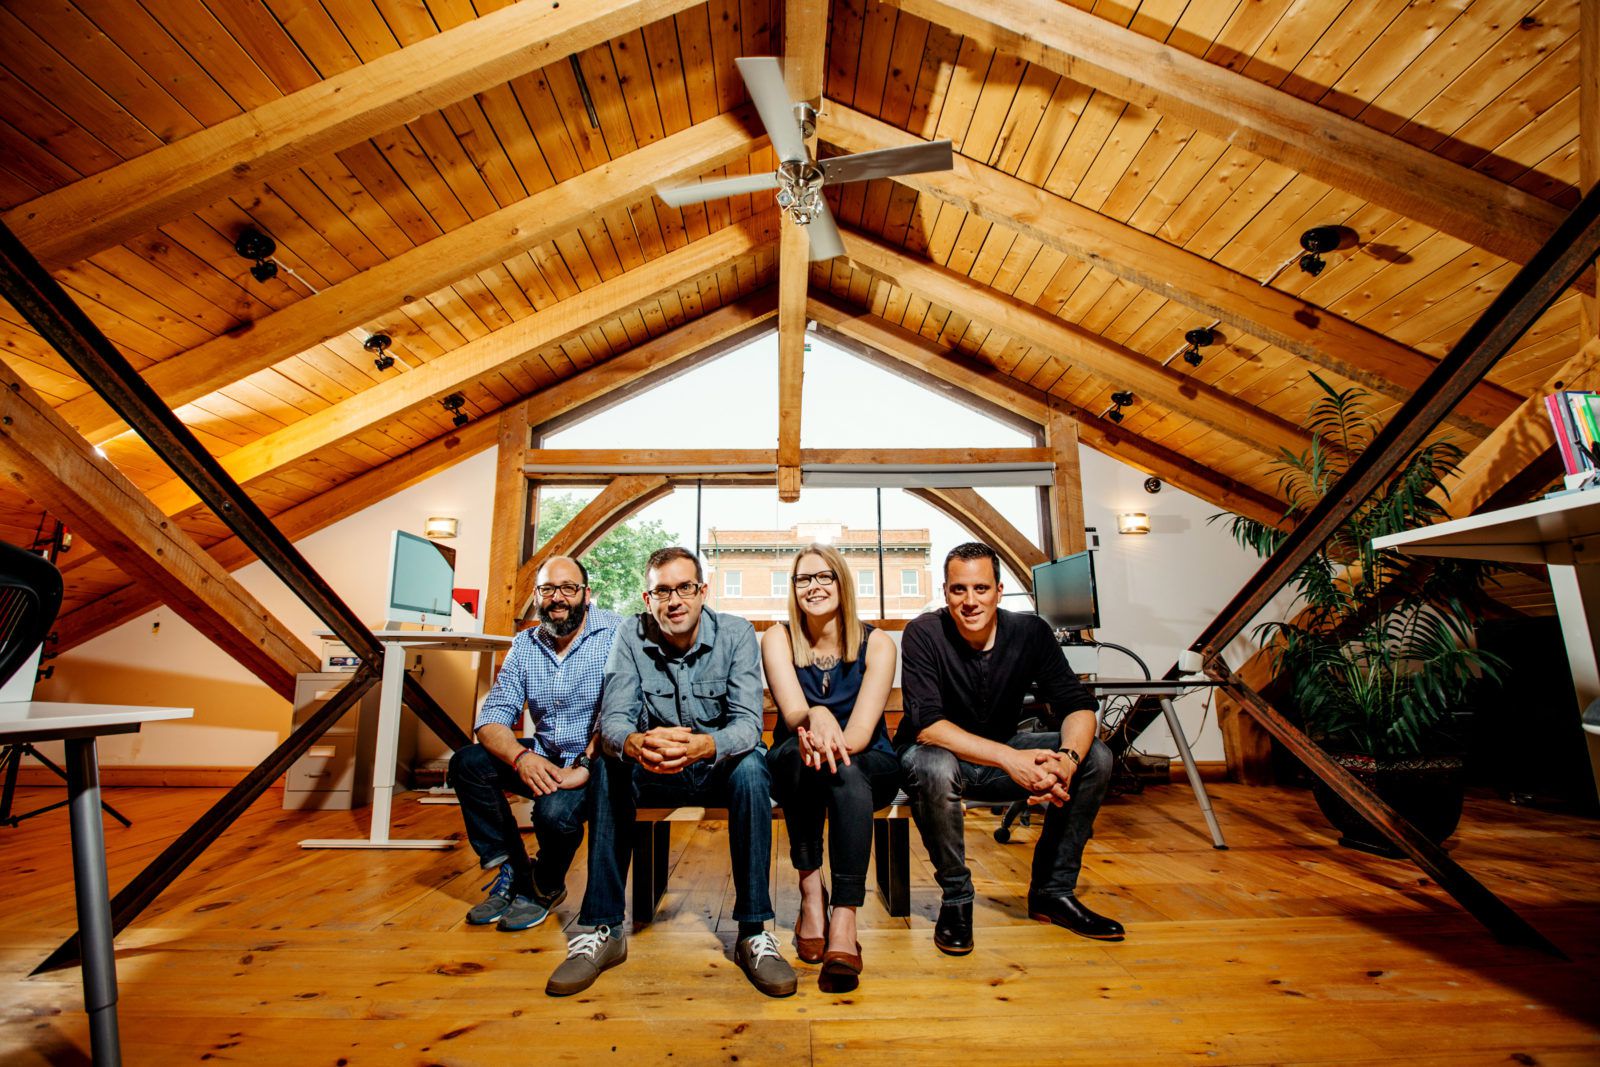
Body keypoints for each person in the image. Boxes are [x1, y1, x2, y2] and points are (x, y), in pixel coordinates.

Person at [546, 546, 796, 998]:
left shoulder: (737, 633)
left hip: (717, 765)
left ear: (703, 591)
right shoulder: (628, 634)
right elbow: (615, 722)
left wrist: (706, 745)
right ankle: (601, 929)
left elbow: (747, 723)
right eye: (663, 590)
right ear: (647, 598)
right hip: (656, 766)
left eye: (685, 587)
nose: (674, 600)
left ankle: (754, 931)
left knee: (753, 769)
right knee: (609, 765)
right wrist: (637, 743)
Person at [897, 541, 1121, 956]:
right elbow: (928, 726)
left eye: (980, 588)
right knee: (933, 765)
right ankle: (957, 900)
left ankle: (1053, 893)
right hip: (935, 756)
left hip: (1004, 750)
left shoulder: (1030, 631)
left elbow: (1078, 705)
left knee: (1098, 756)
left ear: (999, 591)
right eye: (958, 590)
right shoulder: (924, 632)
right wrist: (1009, 758)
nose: (969, 601)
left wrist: (1068, 761)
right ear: (945, 592)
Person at [447, 556, 622, 932]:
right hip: (542, 754)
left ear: (586, 594)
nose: (557, 597)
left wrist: (584, 766)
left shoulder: (616, 634)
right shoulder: (525, 644)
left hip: (593, 759)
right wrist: (521, 757)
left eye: (568, 588)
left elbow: (622, 713)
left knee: (554, 815)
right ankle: (513, 866)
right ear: (536, 595)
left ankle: (543, 885)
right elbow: (490, 717)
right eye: (547, 589)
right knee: (467, 763)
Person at [762, 543, 899, 993]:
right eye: (804, 579)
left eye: (825, 577)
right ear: (793, 588)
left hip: (865, 760)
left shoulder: (877, 643)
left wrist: (826, 726)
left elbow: (859, 732)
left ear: (843, 583)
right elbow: (792, 713)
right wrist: (814, 716)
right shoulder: (778, 638)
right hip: (796, 757)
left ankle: (844, 917)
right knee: (803, 760)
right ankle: (810, 893)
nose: (815, 587)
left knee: (846, 769)